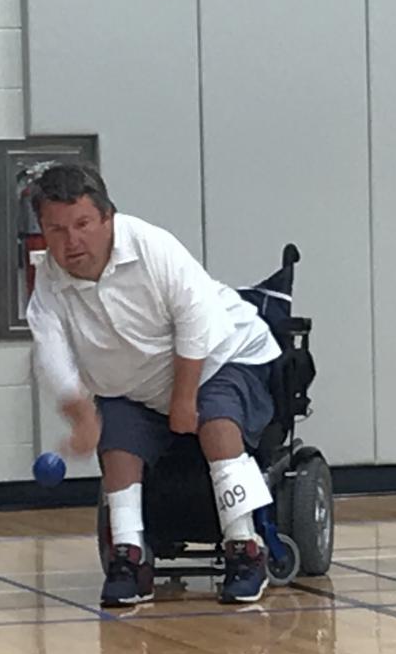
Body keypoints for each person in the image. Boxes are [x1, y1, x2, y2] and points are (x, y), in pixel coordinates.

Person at [25, 162, 282, 606]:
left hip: (222, 357)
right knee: (117, 443)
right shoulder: (49, 281)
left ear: (107, 218)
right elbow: (50, 351)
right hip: (137, 386)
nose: (72, 241)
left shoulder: (151, 246)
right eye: (57, 230)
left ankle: (245, 547)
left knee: (217, 422)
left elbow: (196, 319)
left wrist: (184, 397)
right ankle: (129, 555)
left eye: (83, 224)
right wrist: (82, 415)